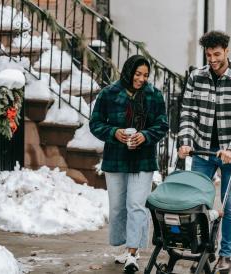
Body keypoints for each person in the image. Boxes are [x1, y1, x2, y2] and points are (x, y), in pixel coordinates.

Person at [178, 30, 231, 273]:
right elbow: (188, 112)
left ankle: (225, 254)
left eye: (217, 54)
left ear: (226, 51)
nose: (212, 59)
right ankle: (204, 251)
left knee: (229, 204)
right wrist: (186, 140)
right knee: (199, 203)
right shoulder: (196, 77)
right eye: (208, 54)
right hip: (202, 152)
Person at [89, 55, 169, 273]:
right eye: (138, 74)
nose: (141, 79)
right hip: (115, 157)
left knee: (136, 205)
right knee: (117, 207)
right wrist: (115, 132)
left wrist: (145, 135)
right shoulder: (109, 94)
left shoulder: (153, 95)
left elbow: (162, 124)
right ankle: (125, 245)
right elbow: (95, 124)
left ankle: (133, 253)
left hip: (142, 158)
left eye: (145, 75)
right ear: (128, 72)